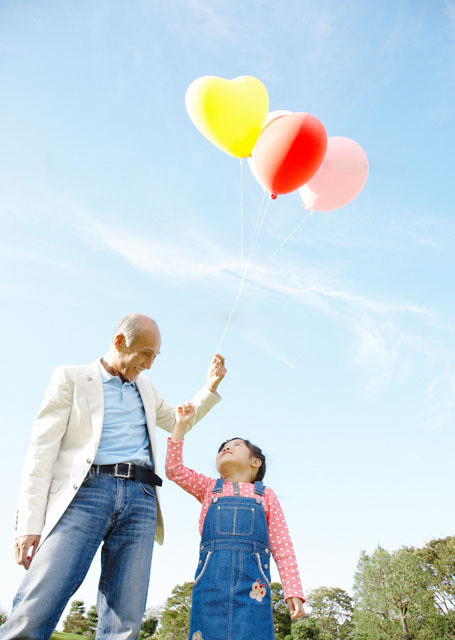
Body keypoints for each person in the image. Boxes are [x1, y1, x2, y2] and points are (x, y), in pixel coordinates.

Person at [1, 313, 226, 640]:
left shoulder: (146, 388)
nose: (149, 364)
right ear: (120, 341)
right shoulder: (71, 378)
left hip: (142, 499)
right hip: (87, 493)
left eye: (155, 357)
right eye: (145, 354)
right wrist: (29, 525)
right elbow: (41, 453)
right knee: (40, 599)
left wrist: (209, 388)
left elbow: (182, 419)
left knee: (124, 621)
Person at [165, 402, 305, 640]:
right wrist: (180, 426)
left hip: (254, 587)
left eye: (235, 445)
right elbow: (174, 470)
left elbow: (283, 547)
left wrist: (293, 590)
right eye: (223, 447)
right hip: (210, 585)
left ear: (256, 462)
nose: (226, 448)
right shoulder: (210, 488)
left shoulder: (266, 495)